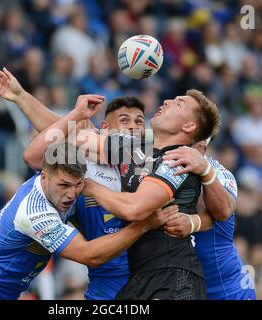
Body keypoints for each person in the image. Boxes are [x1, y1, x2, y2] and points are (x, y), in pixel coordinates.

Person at [25, 88, 220, 299]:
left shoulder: (179, 160)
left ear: (189, 126)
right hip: (140, 279)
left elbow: (134, 208)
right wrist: (20, 95)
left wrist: (88, 186)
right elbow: (60, 136)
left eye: (178, 103)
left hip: (173, 277)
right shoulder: (136, 151)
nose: (166, 101)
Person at [0, 67, 146, 300]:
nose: (133, 126)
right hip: (108, 284)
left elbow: (66, 133)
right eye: (124, 120)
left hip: (152, 275)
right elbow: (44, 146)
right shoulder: (83, 166)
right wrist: (21, 97)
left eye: (139, 121)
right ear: (105, 129)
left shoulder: (149, 153)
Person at [0, 142, 177, 300]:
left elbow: (64, 140)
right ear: (44, 177)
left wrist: (77, 115)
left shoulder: (56, 187)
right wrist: (143, 225)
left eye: (78, 185)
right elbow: (90, 255)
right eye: (64, 185)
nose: (72, 194)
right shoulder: (34, 213)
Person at [160, 140, 257, 299]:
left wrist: (193, 222)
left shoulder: (217, 171)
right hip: (184, 283)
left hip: (228, 287)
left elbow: (224, 211)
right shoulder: (156, 161)